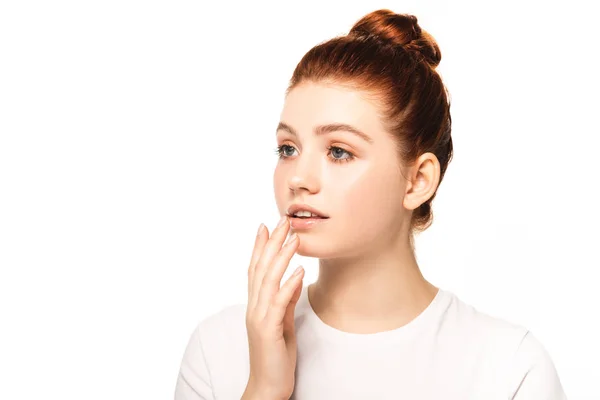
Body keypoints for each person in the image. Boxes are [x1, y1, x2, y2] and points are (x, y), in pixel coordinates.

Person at [174, 9, 567, 400]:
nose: (298, 178)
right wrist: (264, 388)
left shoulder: (509, 370)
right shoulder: (219, 352)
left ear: (418, 180)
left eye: (339, 152)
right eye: (288, 148)